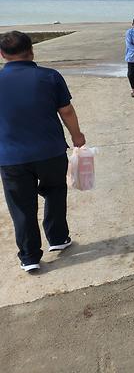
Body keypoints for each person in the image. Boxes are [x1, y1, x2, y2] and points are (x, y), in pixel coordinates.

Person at [0, 31, 86, 273]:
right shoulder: (50, 76)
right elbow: (66, 110)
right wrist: (77, 136)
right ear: (31, 50)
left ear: (2, 54)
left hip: (11, 157)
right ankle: (57, 238)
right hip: (50, 151)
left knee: (21, 206)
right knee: (56, 191)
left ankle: (29, 257)